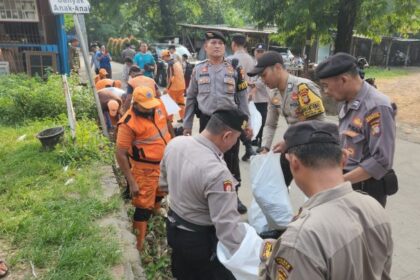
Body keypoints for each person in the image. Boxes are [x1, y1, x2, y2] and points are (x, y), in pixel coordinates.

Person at [259, 120, 393, 279]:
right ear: (344, 158)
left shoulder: (300, 238)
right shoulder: (374, 207)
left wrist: (266, 260)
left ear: (294, 163)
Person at [160, 109, 249, 280]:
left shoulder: (176, 143)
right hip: (200, 242)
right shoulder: (217, 173)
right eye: (236, 139)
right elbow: (227, 229)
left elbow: (163, 184)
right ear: (226, 136)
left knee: (182, 273)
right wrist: (250, 254)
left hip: (173, 228)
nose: (234, 144)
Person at [315, 52, 397, 207]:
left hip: (365, 190)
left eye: (326, 86)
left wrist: (340, 182)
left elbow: (381, 160)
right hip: (347, 182)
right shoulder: (347, 100)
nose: (325, 92)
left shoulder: (376, 106)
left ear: (343, 80)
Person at [183, 30, 252, 214]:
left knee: (231, 160)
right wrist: (187, 124)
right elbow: (190, 98)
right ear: (205, 47)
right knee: (207, 160)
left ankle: (234, 196)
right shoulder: (198, 69)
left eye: (220, 43)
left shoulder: (235, 69)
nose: (216, 46)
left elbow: (243, 99)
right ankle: (209, 196)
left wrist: (247, 125)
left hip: (230, 122)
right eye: (212, 43)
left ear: (225, 47)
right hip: (207, 121)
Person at [248, 51, 326, 186]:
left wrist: (288, 141)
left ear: (278, 68)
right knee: (276, 185)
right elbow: (270, 124)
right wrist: (265, 147)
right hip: (294, 146)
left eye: (264, 75)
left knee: (314, 189)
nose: (262, 80)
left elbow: (317, 125)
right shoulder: (274, 92)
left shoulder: (303, 87)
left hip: (314, 148)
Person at [116, 86, 173, 251]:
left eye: (151, 104)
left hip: (164, 163)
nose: (150, 109)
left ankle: (156, 210)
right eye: (145, 106)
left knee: (161, 191)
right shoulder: (128, 123)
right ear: (135, 104)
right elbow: (120, 153)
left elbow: (168, 125)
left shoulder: (158, 106)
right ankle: (138, 245)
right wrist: (131, 181)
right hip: (144, 170)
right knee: (142, 206)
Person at [229, 33, 256, 161]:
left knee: (236, 122)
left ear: (233, 44)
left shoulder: (230, 59)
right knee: (244, 120)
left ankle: (244, 148)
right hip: (248, 94)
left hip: (235, 96)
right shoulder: (251, 59)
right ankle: (249, 147)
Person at [249, 43, 270, 148]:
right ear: (254, 52)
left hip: (263, 98)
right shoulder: (253, 64)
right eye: (258, 51)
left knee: (262, 119)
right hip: (253, 98)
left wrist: (253, 84)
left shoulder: (267, 65)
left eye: (262, 52)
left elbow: (263, 82)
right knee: (253, 119)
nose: (260, 54)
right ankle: (254, 137)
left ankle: (261, 141)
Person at [161, 49, 186, 122]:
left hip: (173, 88)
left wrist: (167, 88)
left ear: (166, 56)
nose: (163, 59)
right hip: (181, 86)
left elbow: (171, 77)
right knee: (181, 103)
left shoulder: (170, 64)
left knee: (170, 104)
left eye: (163, 57)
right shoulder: (177, 62)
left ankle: (169, 119)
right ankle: (183, 118)